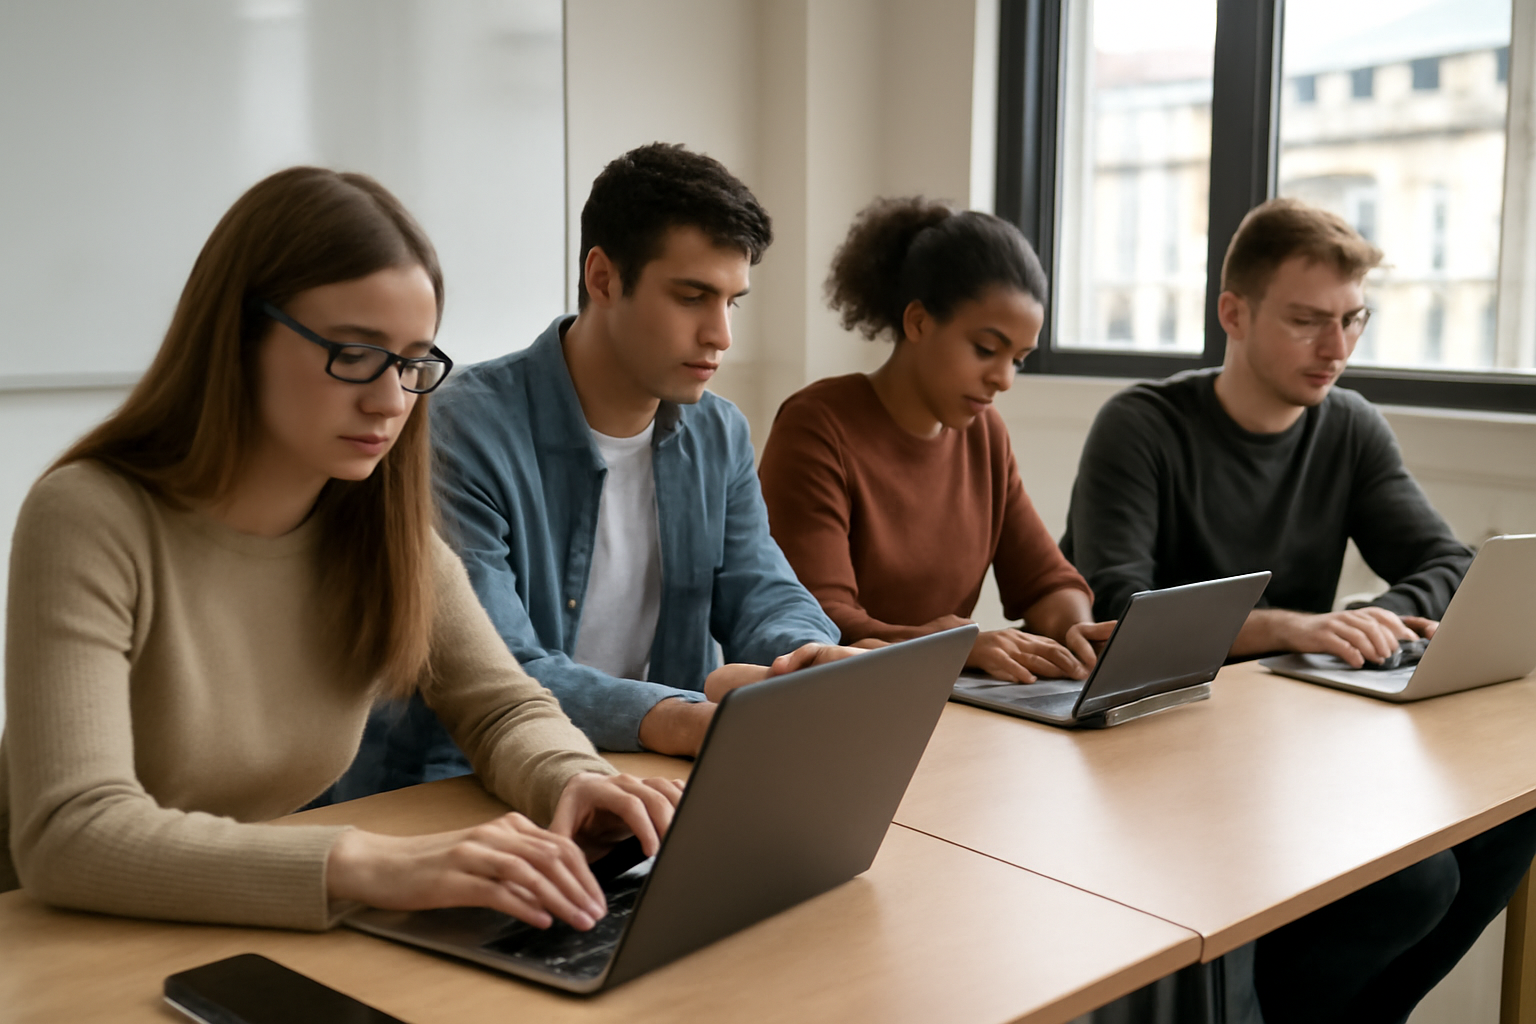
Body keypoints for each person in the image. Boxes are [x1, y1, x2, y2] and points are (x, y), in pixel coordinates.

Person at [0, 167, 680, 934]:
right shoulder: (91, 517)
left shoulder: (381, 531)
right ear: (240, 335)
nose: (390, 400)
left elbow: (500, 706)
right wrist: (372, 864)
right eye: (354, 353)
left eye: (412, 361)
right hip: (60, 942)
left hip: (245, 918)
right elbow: (70, 830)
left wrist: (573, 776)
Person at [1062, 196, 1536, 1024]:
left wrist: (1374, 618)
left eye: (1355, 319)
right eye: (1308, 320)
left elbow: (1446, 562)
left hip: (1291, 750)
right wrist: (1288, 627)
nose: (1338, 349)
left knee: (1506, 829)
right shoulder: (1141, 425)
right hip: (1155, 753)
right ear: (1233, 313)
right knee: (1416, 881)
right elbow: (1115, 608)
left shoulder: (1348, 426)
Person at [333, 142, 848, 785]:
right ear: (602, 278)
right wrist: (678, 716)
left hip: (652, 775)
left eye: (731, 301)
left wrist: (808, 656)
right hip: (465, 786)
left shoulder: (719, 432)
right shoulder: (456, 427)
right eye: (692, 297)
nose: (721, 334)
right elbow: (499, 666)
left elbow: (762, 592)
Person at [758, 197, 1111, 682]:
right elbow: (821, 623)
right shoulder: (817, 426)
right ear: (918, 322)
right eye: (986, 349)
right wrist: (954, 647)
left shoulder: (984, 434)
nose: (1004, 379)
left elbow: (1046, 581)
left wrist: (1078, 632)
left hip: (941, 705)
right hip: (838, 705)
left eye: (1019, 358)